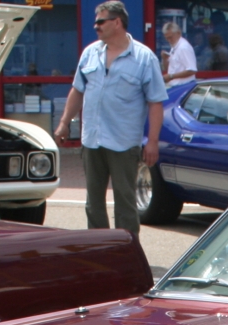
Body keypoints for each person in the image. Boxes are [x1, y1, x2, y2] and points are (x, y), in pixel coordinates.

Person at [56, 1, 167, 235]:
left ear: (117, 23)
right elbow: (78, 90)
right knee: (93, 203)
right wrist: (65, 122)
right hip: (92, 140)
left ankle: (127, 252)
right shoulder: (90, 53)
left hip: (123, 142)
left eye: (101, 21)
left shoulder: (144, 58)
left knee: (125, 202)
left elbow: (155, 102)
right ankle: (99, 252)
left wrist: (153, 141)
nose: (95, 26)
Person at [161, 20, 196, 86]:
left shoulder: (184, 47)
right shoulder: (174, 46)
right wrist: (165, 59)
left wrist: (171, 76)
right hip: (175, 86)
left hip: (184, 86)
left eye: (170, 37)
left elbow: (192, 70)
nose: (169, 40)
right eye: (167, 38)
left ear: (178, 33)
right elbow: (170, 70)